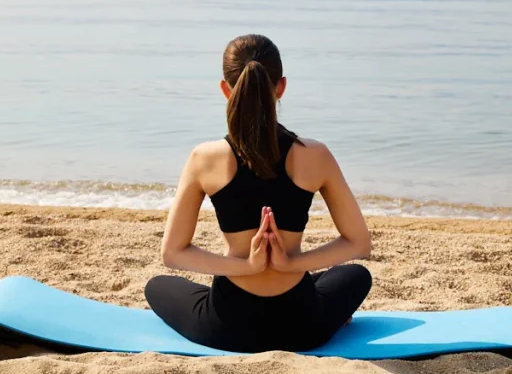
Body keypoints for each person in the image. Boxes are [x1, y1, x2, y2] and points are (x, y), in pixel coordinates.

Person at [144, 34, 373, 353]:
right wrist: (290, 263)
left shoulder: (204, 158)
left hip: (227, 328)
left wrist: (247, 267)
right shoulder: (315, 155)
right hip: (302, 326)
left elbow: (173, 254)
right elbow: (359, 242)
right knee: (356, 276)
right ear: (281, 87)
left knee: (157, 286)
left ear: (226, 89)